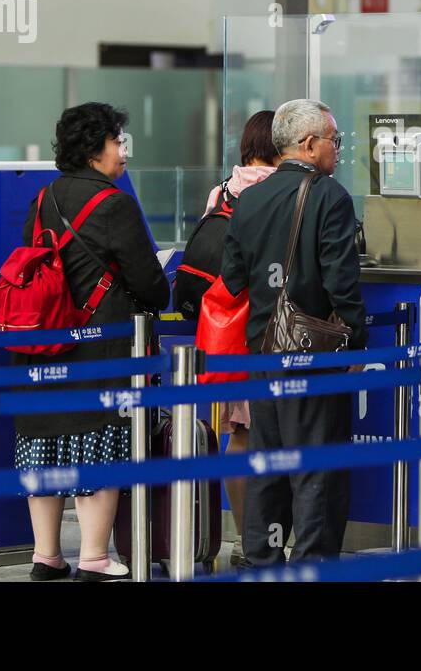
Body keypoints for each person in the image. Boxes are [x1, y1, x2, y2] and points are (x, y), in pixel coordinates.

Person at [13, 102, 169, 581]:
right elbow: (151, 285)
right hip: (98, 347)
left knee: (44, 443)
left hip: (42, 342)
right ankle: (95, 557)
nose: (124, 153)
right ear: (95, 147)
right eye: (118, 142)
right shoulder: (113, 204)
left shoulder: (44, 199)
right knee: (96, 445)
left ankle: (47, 556)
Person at [219, 98, 368, 566]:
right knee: (316, 469)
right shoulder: (330, 196)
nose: (338, 150)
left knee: (268, 463)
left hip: (262, 351)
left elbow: (233, 277)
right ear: (308, 143)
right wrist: (355, 340)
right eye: (333, 140)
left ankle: (263, 559)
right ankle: (313, 564)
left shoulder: (249, 197)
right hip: (315, 354)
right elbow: (341, 282)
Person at [197, 109, 279, 567]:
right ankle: (266, 540)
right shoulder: (282, 189)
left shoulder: (224, 189)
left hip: (228, 333)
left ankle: (243, 538)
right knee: (274, 435)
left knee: (240, 434)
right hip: (267, 330)